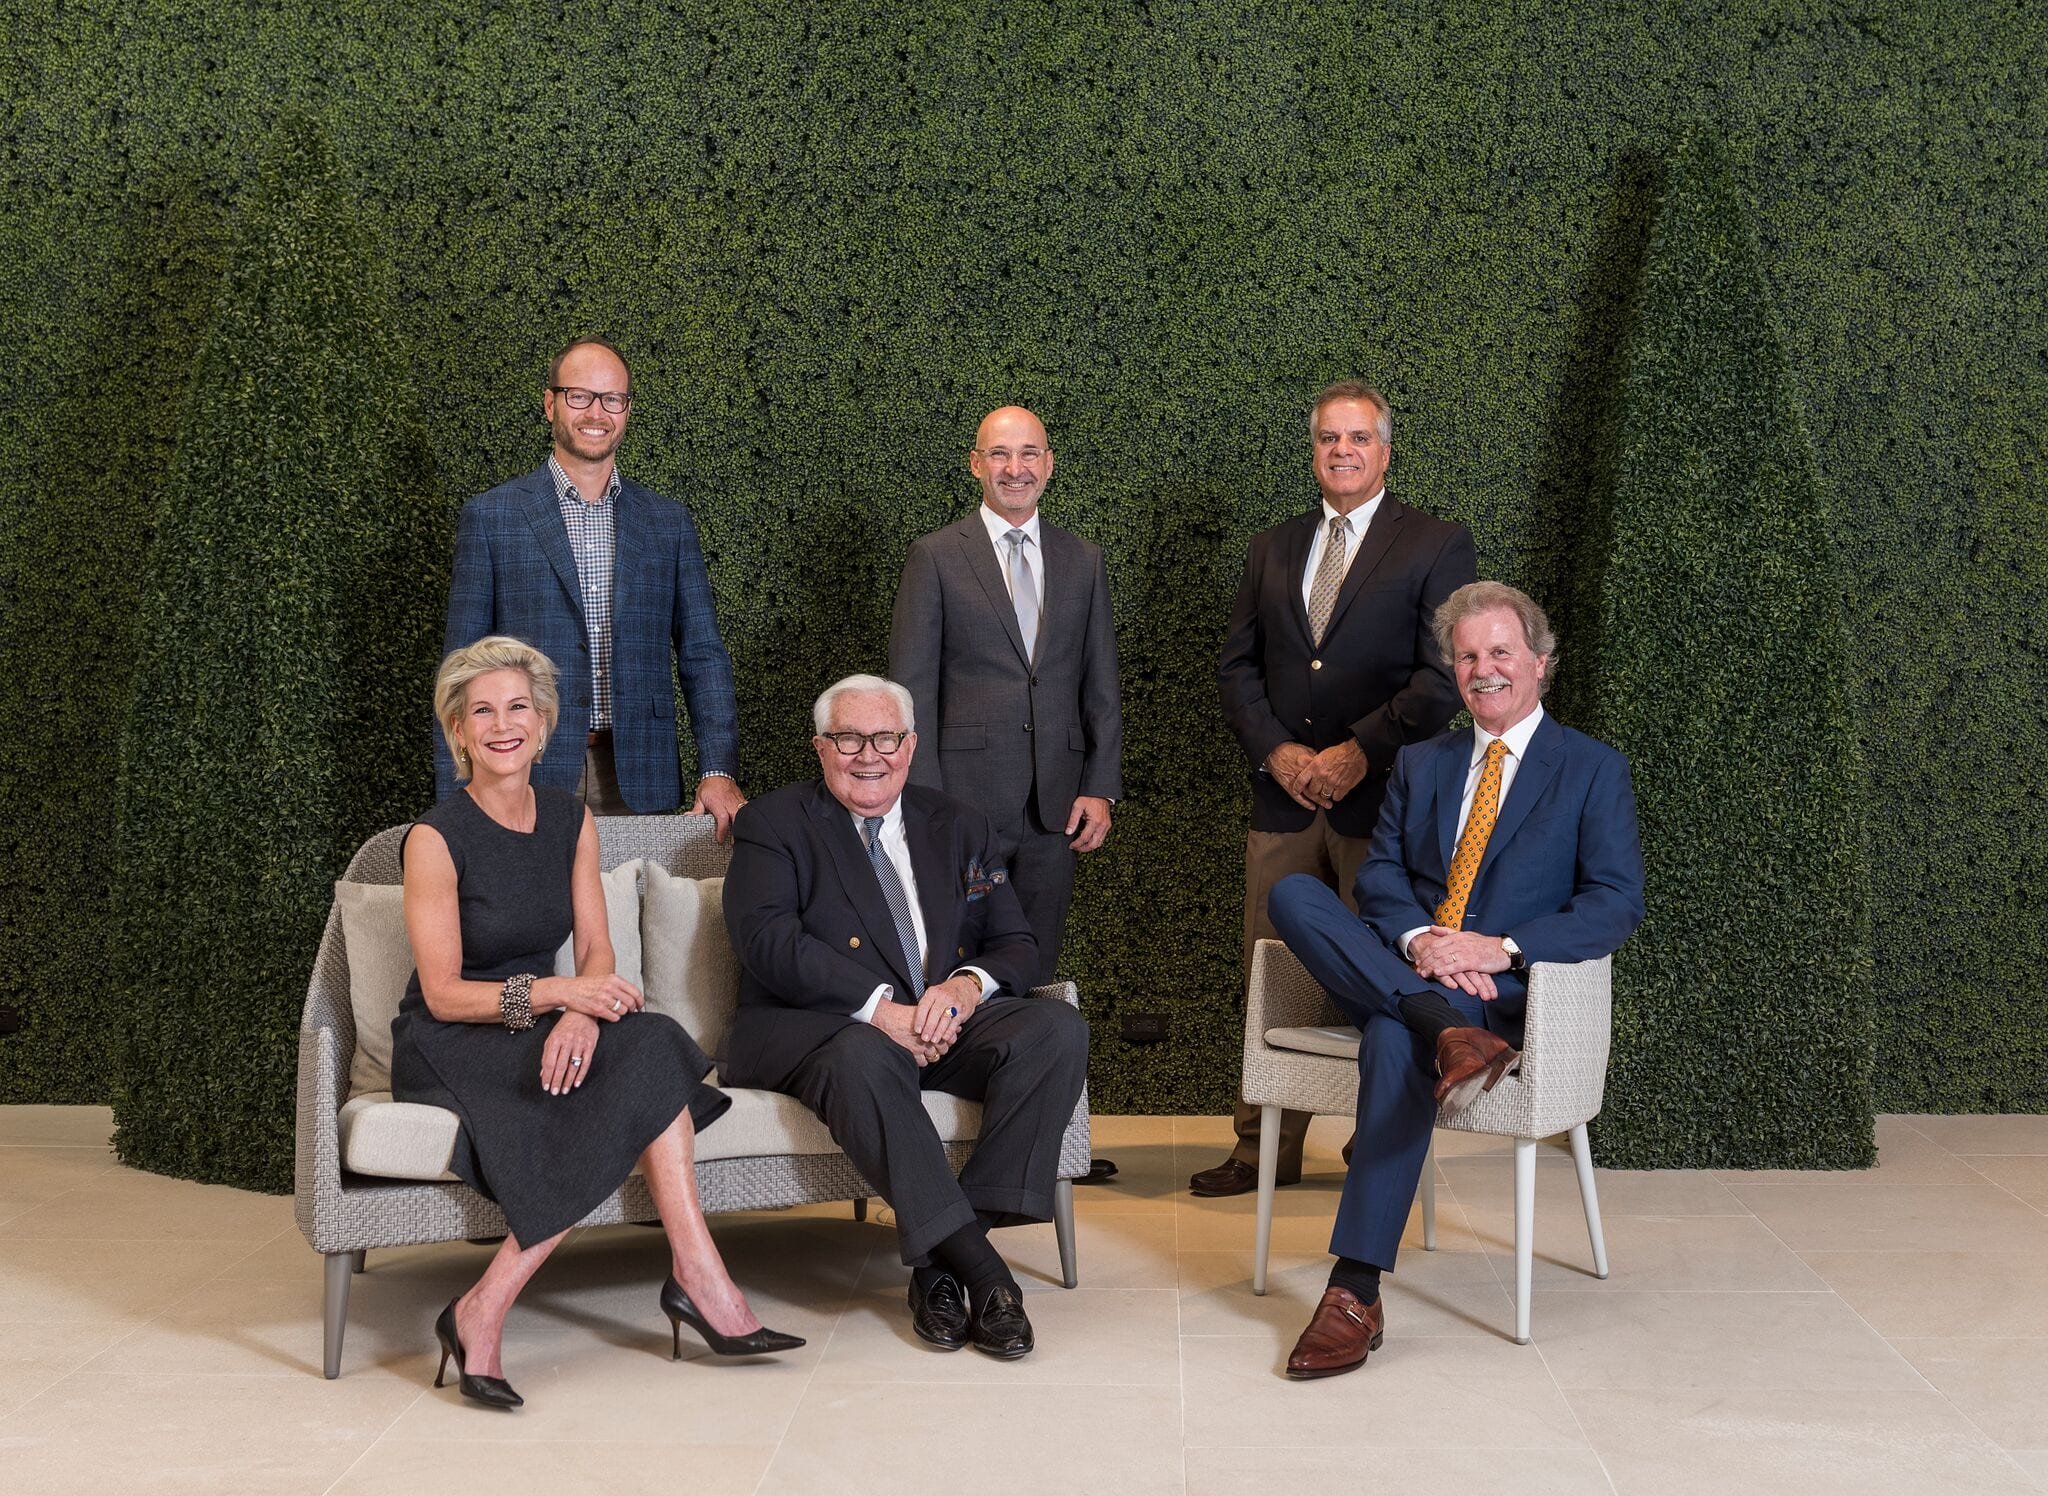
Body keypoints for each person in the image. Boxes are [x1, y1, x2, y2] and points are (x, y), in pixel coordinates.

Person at [394, 636, 800, 1408]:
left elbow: (598, 945)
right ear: (459, 732)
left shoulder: (571, 819)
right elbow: (444, 993)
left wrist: (581, 1013)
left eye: (520, 707)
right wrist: (560, 999)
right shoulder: (433, 839)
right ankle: (495, 1306)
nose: (503, 724)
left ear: (545, 724)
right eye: (482, 711)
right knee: (618, 1086)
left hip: (542, 1014)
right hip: (455, 1036)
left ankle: (695, 1271)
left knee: (648, 1042)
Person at [1266, 582, 1646, 1378]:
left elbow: (1614, 904)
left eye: (1501, 652)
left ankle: (1353, 1289)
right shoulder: (1422, 763)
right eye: (1468, 656)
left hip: (1503, 999)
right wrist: (1420, 941)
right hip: (1408, 971)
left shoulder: (1592, 769)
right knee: (1295, 892)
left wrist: (1497, 949)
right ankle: (1441, 1029)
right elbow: (1381, 883)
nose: (1484, 670)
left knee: (1388, 1041)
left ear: (1540, 663)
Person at [721, 674, 1090, 1359]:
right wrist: (879, 1011)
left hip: (938, 1020)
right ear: (820, 747)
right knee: (865, 1054)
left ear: (911, 745)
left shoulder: (959, 825)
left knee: (1054, 1030)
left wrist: (965, 989)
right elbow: (768, 943)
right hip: (816, 1028)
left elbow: (1016, 942)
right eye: (849, 738)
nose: (870, 755)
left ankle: (937, 1264)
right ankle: (986, 1275)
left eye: (886, 737)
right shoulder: (773, 824)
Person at [1192, 380, 1477, 1198]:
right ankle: (1259, 1151)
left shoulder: (1435, 543)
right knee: (1268, 970)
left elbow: (1442, 676)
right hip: (1284, 800)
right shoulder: (1273, 546)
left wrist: (1359, 749)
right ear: (1312, 450)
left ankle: (1378, 1144)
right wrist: (1278, 752)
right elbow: (1237, 667)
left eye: (1358, 438)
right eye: (1328, 439)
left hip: (1383, 802)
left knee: (1385, 965)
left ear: (1386, 450)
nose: (1342, 451)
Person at [437, 337, 746, 835]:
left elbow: (703, 655)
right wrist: (457, 795)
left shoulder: (667, 523)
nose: (596, 412)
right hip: (522, 771)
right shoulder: (492, 517)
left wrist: (717, 770)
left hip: (639, 777)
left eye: (612, 399)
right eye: (579, 396)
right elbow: (459, 670)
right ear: (550, 403)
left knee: (633, 914)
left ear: (626, 409)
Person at [889, 404, 1122, 986]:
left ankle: (1031, 1070)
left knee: (1038, 963)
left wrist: (1100, 787)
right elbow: (911, 691)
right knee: (954, 957)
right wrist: (925, 807)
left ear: (1049, 466)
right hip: (963, 808)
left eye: (1027, 454)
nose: (1013, 468)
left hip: (1056, 810)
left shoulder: (1083, 559)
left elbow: (1100, 682)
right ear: (975, 464)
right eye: (999, 453)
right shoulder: (936, 557)